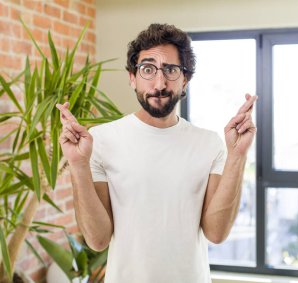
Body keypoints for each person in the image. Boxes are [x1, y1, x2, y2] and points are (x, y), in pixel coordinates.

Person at [56, 23, 257, 283]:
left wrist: (237, 156)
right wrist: (78, 165)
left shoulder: (209, 144)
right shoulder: (101, 140)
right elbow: (97, 240)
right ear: (132, 77)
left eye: (171, 70)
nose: (159, 83)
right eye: (148, 69)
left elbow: (216, 233)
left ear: (185, 79)